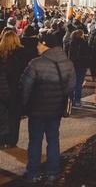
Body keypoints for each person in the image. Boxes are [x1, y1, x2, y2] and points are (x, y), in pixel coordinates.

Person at [20, 33, 75, 183]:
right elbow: (71, 87)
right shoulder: (67, 63)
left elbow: (25, 88)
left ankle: (33, 172)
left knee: (35, 141)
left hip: (36, 110)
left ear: (45, 45)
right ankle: (53, 171)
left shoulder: (35, 64)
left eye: (39, 44)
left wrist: (23, 107)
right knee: (53, 140)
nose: (37, 46)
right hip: (56, 109)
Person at [0, 30, 28, 148]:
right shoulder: (21, 54)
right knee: (14, 117)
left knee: (2, 116)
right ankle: (12, 140)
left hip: (2, 89)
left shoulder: (2, 54)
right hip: (16, 90)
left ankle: (2, 139)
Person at [67, 30, 93, 107]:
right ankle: (77, 100)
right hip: (81, 65)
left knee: (72, 83)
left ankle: (70, 100)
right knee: (78, 83)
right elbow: (88, 54)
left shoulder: (71, 43)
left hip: (72, 65)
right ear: (81, 35)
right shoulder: (84, 43)